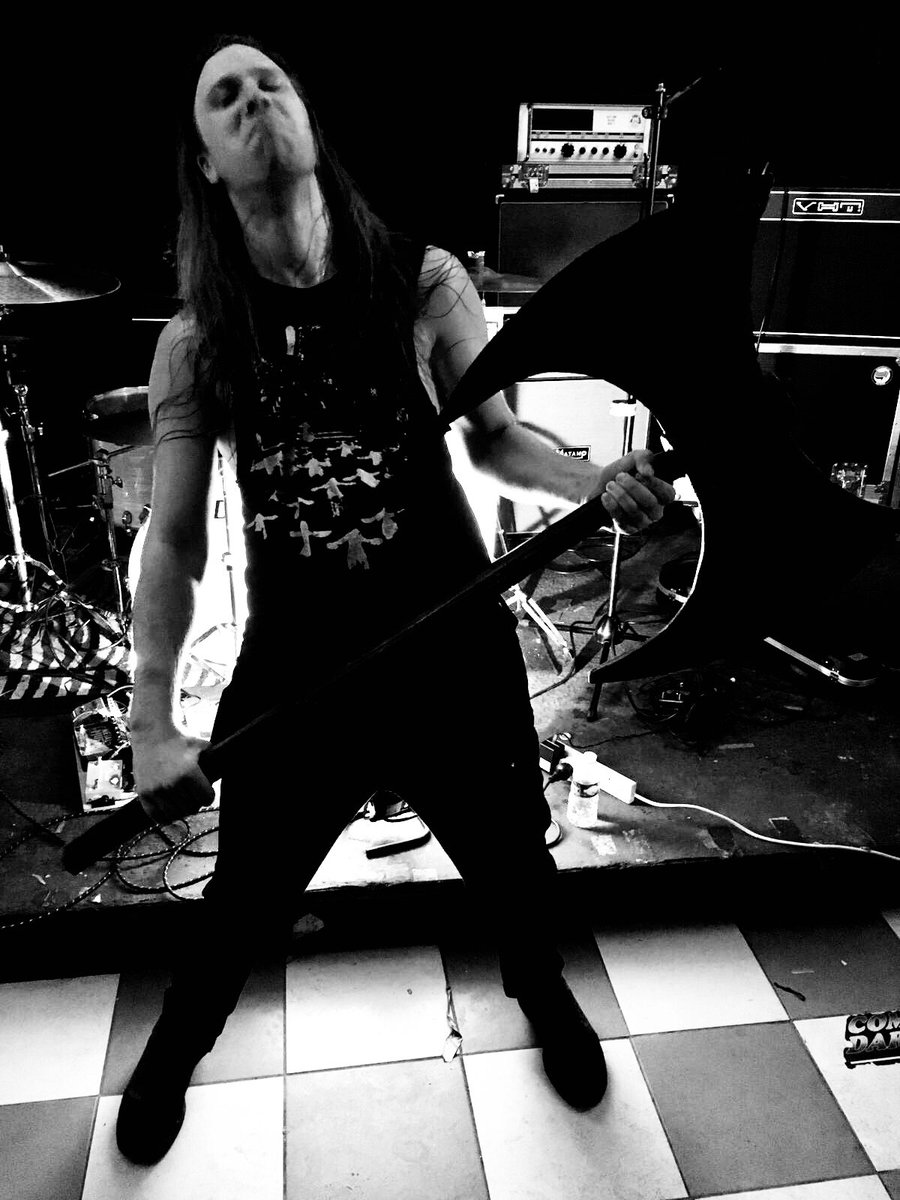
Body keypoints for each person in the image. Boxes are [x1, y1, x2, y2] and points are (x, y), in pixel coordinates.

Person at [115, 34, 675, 1166]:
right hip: (302, 668)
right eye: (224, 95)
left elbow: (499, 440)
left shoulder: (422, 280)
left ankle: (542, 993)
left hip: (450, 646)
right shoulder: (199, 339)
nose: (254, 99)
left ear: (307, 119)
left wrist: (593, 482)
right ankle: (177, 1044)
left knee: (514, 862)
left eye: (270, 81)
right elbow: (170, 541)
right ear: (206, 160)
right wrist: (150, 718)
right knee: (244, 893)